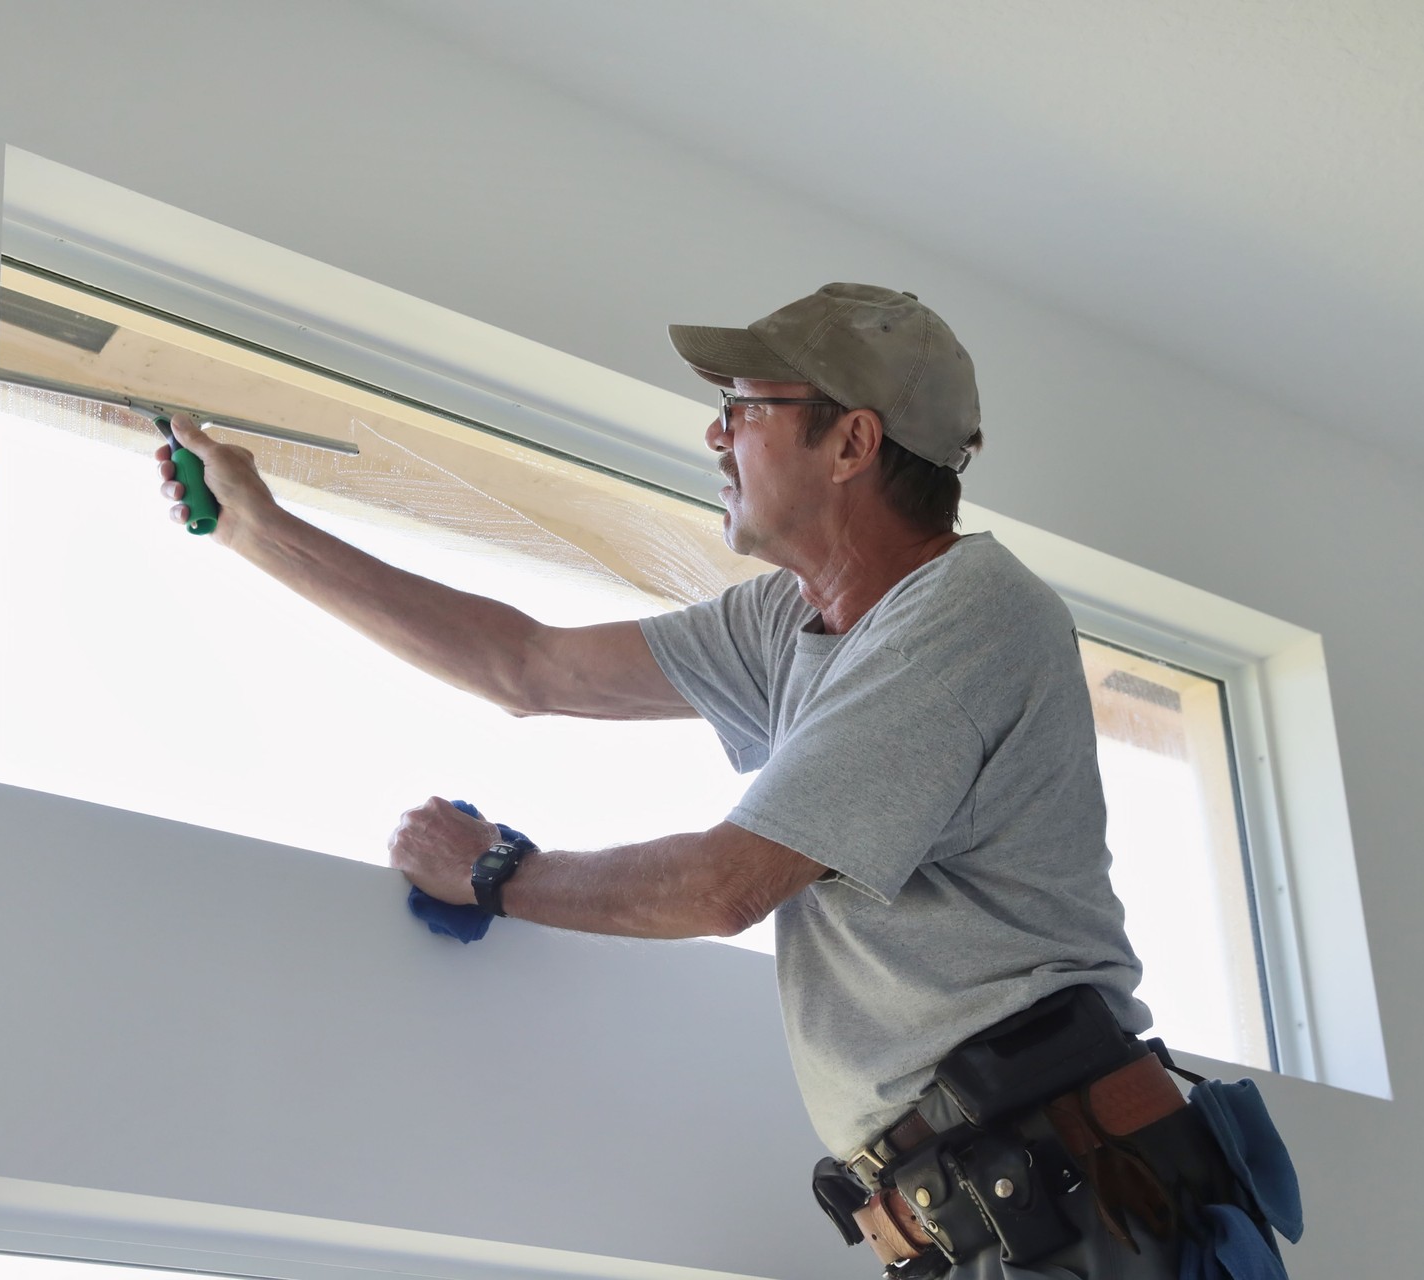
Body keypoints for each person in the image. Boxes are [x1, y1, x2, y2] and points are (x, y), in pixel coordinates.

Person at [155, 284, 1196, 1279]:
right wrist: (262, 530)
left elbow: (722, 885)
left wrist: (498, 873)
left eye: (742, 407)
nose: (715, 434)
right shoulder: (786, 620)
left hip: (1085, 1201)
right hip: (984, 1214)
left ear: (852, 441)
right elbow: (528, 665)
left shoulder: (970, 615)